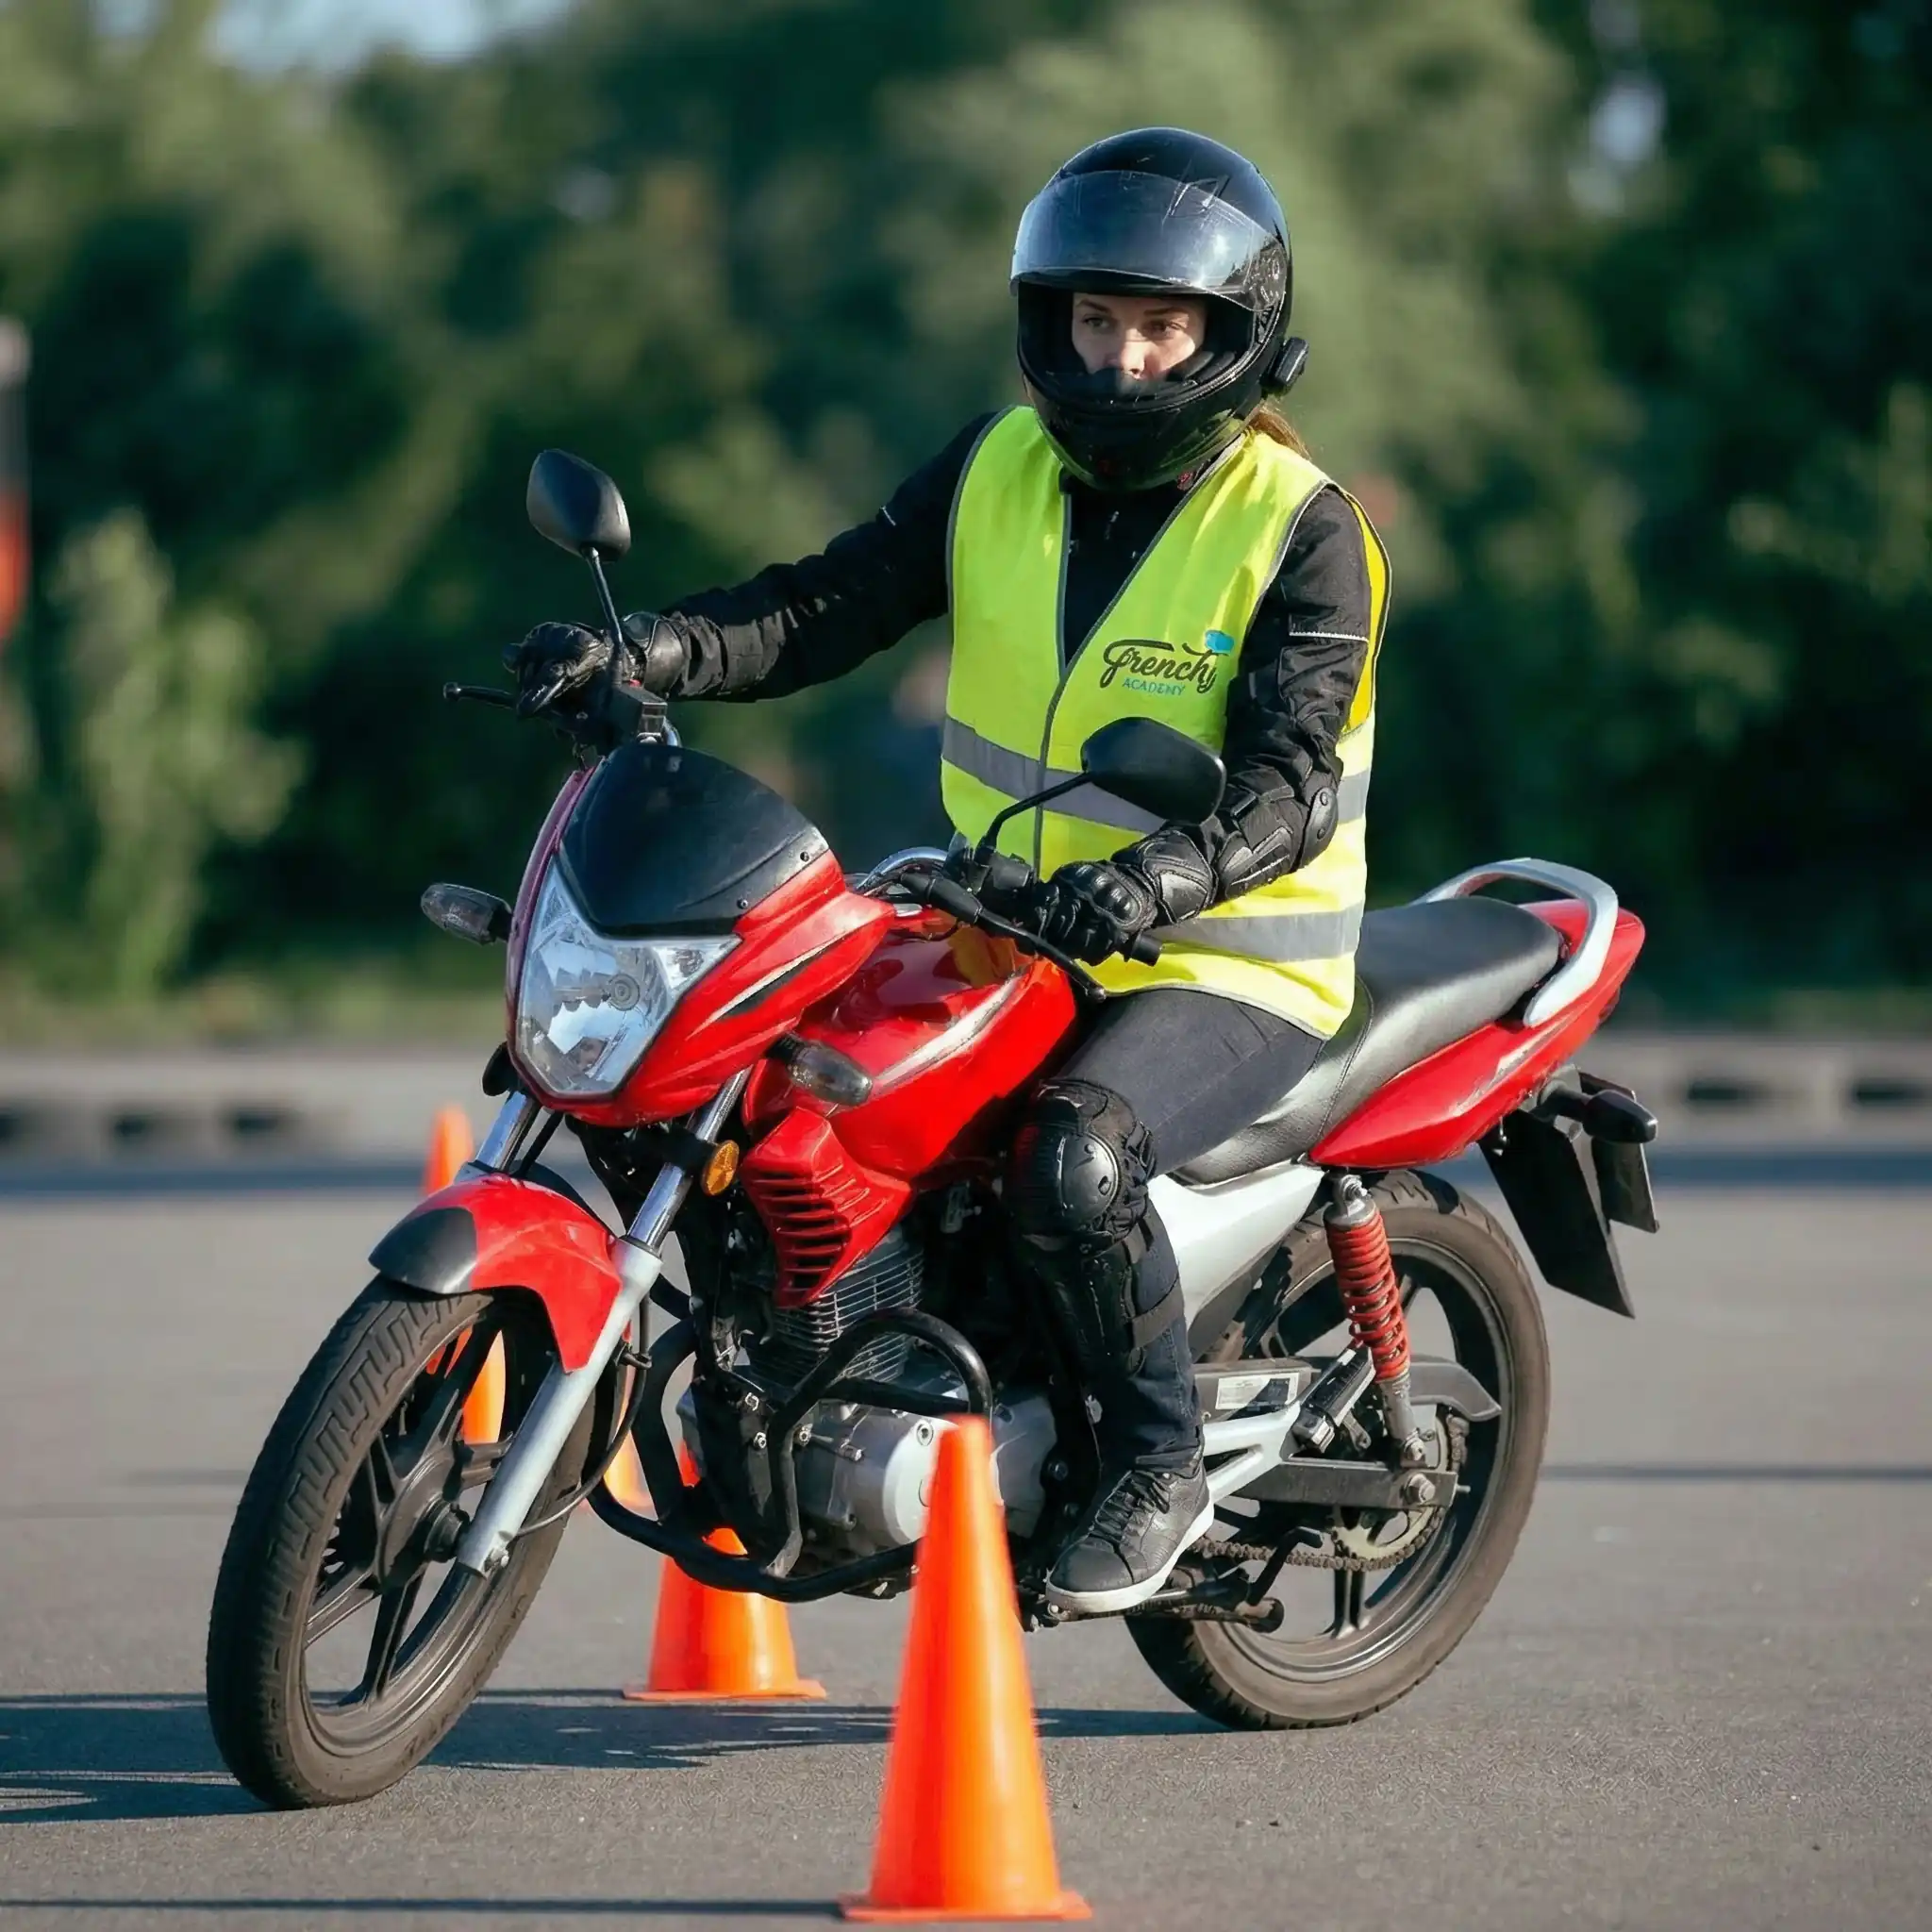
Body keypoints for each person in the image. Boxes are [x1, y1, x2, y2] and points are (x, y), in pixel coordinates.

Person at [507, 127, 1390, 1614]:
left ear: (1232, 339)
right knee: (781, 1091)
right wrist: (647, 645)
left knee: (1071, 1159)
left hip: (1230, 958)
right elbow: (826, 605)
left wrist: (1163, 881)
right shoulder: (999, 468)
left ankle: (1156, 1463)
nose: (1121, 363)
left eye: (1162, 329)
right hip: (1005, 921)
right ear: (1050, 321)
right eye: (1096, 323)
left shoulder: (1301, 532)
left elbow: (1293, 782)